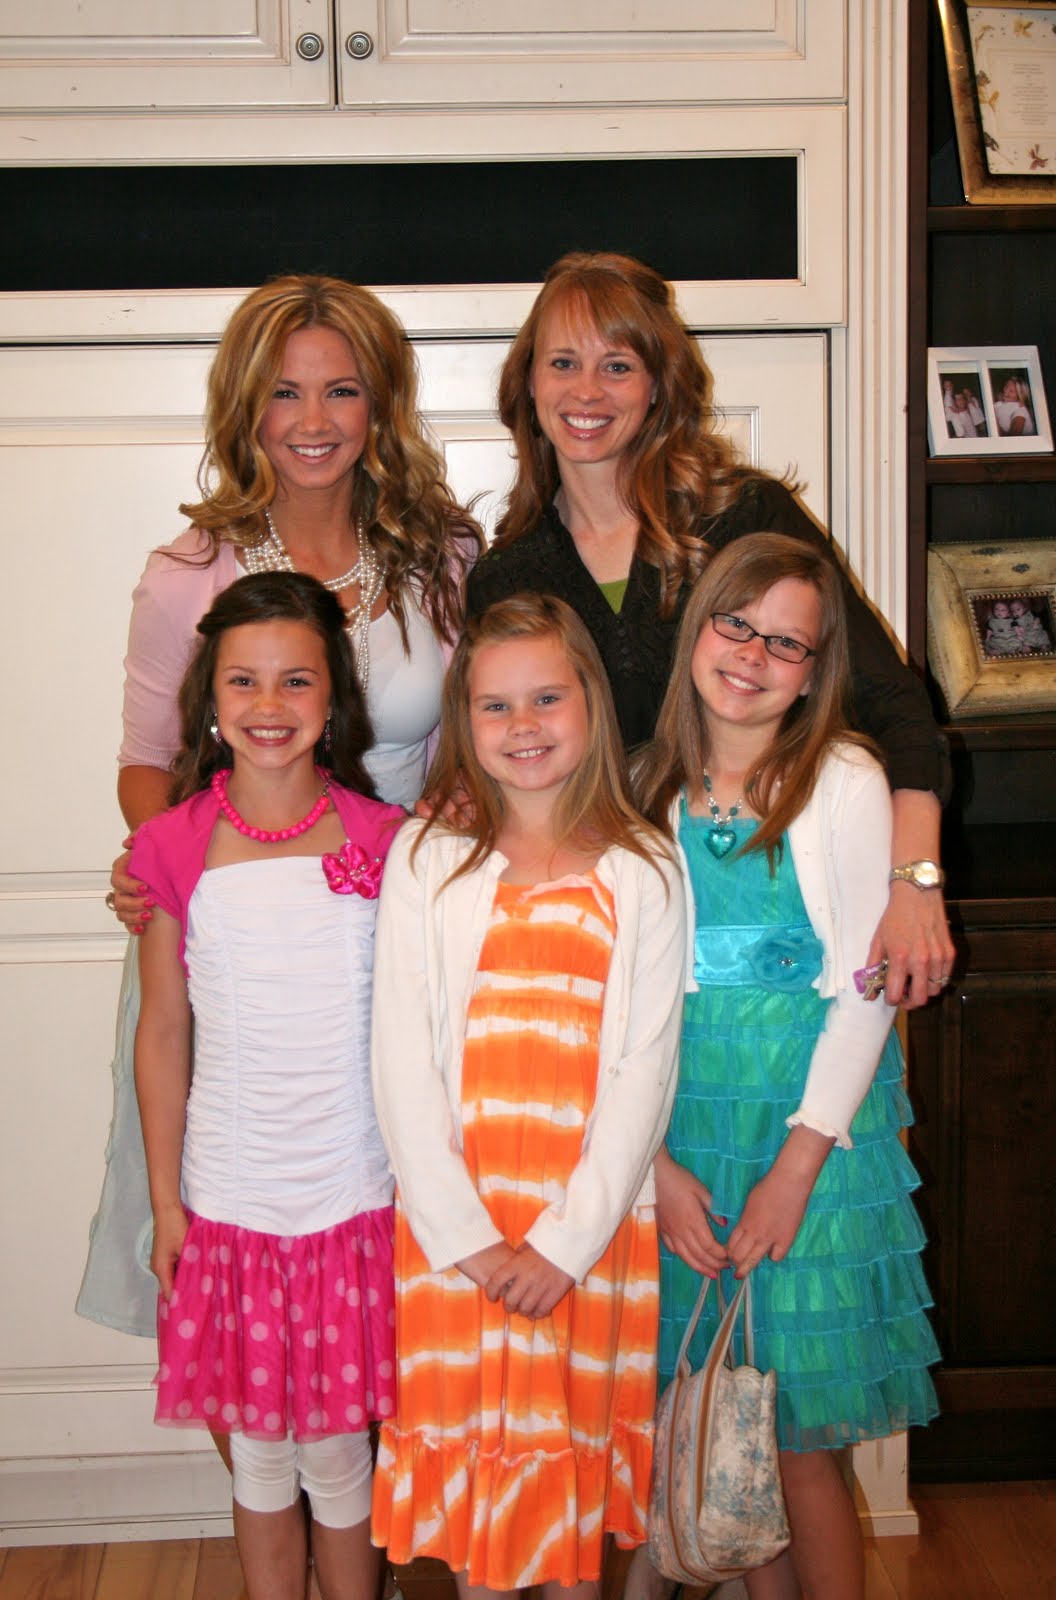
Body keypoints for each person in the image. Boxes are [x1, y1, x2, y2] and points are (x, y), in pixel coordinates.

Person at [78, 273, 482, 1341]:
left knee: (389, 1213)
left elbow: (470, 744)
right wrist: (164, 865)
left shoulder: (443, 560)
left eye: (341, 390)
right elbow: (144, 762)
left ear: (379, 405)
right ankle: (255, 1435)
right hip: (238, 939)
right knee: (229, 1221)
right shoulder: (187, 573)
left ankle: (378, 1454)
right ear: (244, 406)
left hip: (390, 927)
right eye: (284, 392)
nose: (313, 420)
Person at [465, 251, 953, 1009]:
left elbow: (890, 701)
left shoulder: (744, 519)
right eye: (562, 362)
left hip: (777, 914)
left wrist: (915, 881)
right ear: (528, 382)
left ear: (659, 386)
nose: (586, 391)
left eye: (617, 366)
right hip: (612, 932)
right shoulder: (506, 578)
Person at [633, 534, 939, 1600]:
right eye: (735, 624)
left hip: (812, 1133)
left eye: (785, 643)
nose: (753, 655)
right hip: (685, 1132)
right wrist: (651, 1169)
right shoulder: (643, 784)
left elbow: (864, 991)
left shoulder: (842, 780)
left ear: (813, 671)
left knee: (799, 1438)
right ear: (696, 629)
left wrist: (794, 1169)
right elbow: (623, 1004)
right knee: (719, 1412)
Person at [369, 594, 687, 1597]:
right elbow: (399, 1059)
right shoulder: (427, 857)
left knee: (565, 1518)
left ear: (591, 700)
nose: (523, 726)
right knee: (486, 1526)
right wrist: (463, 1235)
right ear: (462, 721)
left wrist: (564, 1242)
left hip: (585, 1236)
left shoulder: (644, 868)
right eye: (495, 705)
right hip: (455, 1232)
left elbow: (644, 1069)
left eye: (547, 697)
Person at [130, 571, 405, 1600]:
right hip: (231, 1201)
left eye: (296, 680)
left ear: (335, 696)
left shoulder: (386, 841)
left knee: (338, 1452)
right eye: (243, 681)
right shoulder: (169, 845)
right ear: (208, 696)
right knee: (256, 1454)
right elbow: (164, 1032)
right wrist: (168, 1204)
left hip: (351, 1196)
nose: (269, 704)